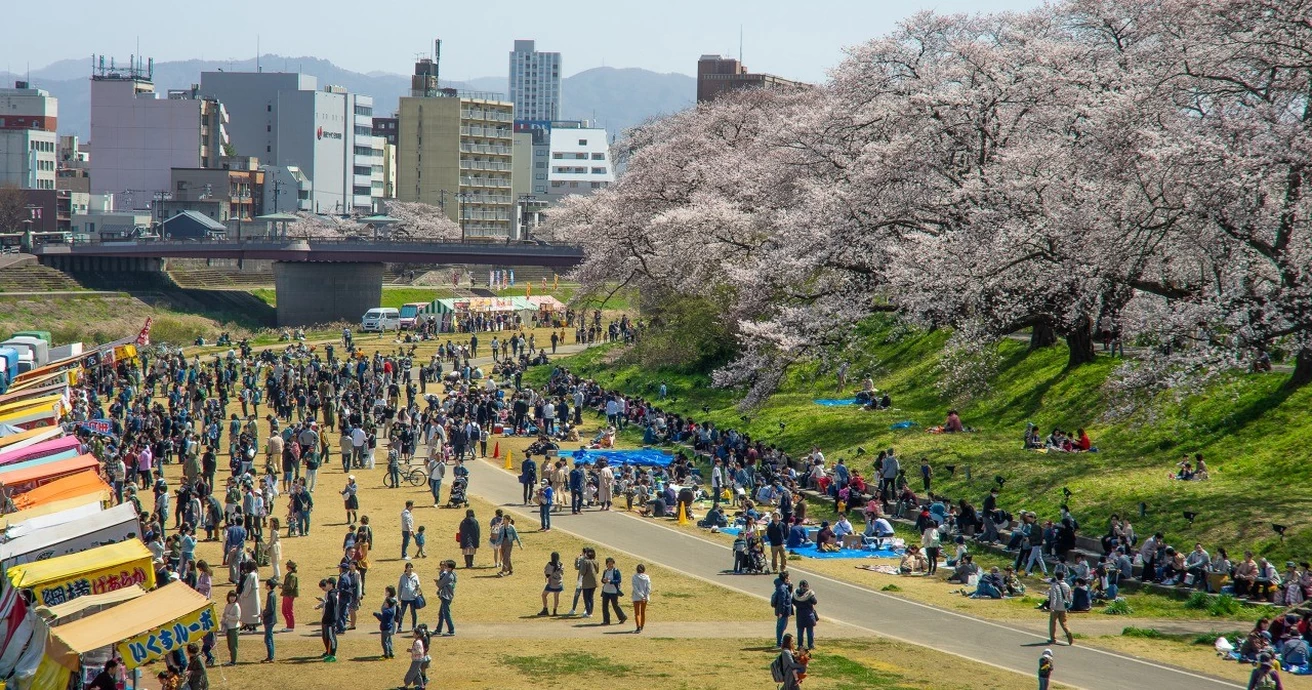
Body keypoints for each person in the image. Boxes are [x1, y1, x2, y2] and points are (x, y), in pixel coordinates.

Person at [600, 556, 628, 625]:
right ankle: (606, 621)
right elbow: (602, 580)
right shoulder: (605, 571)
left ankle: (622, 617)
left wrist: (610, 581)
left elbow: (619, 580)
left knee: (615, 605)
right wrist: (603, 580)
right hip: (606, 591)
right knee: (604, 606)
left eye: (611, 563)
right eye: (609, 564)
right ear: (606, 564)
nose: (610, 565)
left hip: (613, 592)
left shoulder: (616, 571)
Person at [1047, 577, 1074, 646]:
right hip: (1063, 608)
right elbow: (1070, 597)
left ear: (1056, 577)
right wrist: (1068, 606)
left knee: (1053, 622)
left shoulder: (1054, 585)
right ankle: (1068, 632)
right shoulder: (1067, 585)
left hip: (1056, 607)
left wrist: (1052, 606)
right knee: (1063, 622)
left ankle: (1053, 639)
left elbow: (1054, 597)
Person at [793, 579, 818, 650]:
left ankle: (800, 645)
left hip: (800, 614)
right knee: (810, 631)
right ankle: (810, 645)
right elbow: (815, 602)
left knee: (800, 631)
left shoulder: (796, 594)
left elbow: (793, 602)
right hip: (808, 614)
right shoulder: (809, 594)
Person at [435, 559, 458, 636]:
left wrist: (437, 582)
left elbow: (440, 584)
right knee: (441, 614)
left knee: (446, 614)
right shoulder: (453, 574)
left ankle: (451, 630)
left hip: (446, 596)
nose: (445, 567)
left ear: (450, 568)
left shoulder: (448, 576)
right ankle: (438, 629)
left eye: (446, 566)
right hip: (448, 596)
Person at [318, 577, 339, 662]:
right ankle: (330, 652)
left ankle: (333, 655)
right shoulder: (331, 594)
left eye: (327, 583)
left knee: (332, 637)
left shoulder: (332, 595)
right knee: (329, 637)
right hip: (329, 619)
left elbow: (332, 608)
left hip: (331, 620)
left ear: (330, 584)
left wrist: (328, 618)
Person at [397, 562, 422, 632]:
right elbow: (400, 587)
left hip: (412, 598)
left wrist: (417, 589)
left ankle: (414, 626)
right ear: (406, 569)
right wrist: (399, 597)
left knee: (413, 613)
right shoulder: (402, 577)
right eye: (408, 567)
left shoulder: (415, 576)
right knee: (401, 613)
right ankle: (399, 627)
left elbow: (418, 585)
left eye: (411, 567)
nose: (410, 569)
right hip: (404, 598)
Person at [540, 551, 566, 616]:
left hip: (551, 584)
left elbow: (547, 574)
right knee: (556, 597)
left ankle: (545, 609)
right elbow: (562, 573)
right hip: (559, 583)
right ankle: (555, 611)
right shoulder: (561, 564)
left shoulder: (549, 564)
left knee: (543, 595)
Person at [375, 588, 398, 659]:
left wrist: (376, 614)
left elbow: (382, 618)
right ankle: (391, 653)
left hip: (386, 628)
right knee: (389, 640)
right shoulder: (390, 609)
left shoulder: (386, 612)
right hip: (390, 627)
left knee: (384, 642)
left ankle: (386, 654)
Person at [773, 570, 794, 648]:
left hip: (783, 609)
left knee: (782, 626)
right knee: (781, 626)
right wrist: (781, 612)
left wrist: (790, 585)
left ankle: (779, 641)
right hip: (783, 610)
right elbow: (782, 601)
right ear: (785, 578)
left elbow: (789, 592)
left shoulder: (783, 585)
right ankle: (779, 643)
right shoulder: (782, 588)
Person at [220, 590, 241, 666]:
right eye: (231, 596)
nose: (232, 598)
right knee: (230, 645)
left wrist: (227, 616)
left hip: (234, 628)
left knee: (233, 645)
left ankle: (233, 661)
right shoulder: (227, 605)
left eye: (234, 596)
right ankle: (232, 660)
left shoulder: (236, 606)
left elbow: (237, 617)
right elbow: (224, 614)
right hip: (228, 627)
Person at [578, 547, 599, 618]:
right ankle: (590, 612)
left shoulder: (585, 561)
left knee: (586, 597)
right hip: (594, 582)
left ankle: (588, 612)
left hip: (587, 582)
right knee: (591, 597)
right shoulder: (595, 561)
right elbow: (597, 571)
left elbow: (582, 572)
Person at [260, 578, 277, 662]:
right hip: (271, 619)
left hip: (269, 620)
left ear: (269, 586)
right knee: (269, 637)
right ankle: (271, 655)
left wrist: (263, 614)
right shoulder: (272, 594)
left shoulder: (271, 595)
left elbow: (270, 609)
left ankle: (270, 656)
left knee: (268, 638)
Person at [631, 563, 651, 633]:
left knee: (637, 613)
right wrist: (645, 596)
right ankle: (642, 626)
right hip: (645, 598)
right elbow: (648, 588)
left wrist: (641, 596)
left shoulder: (634, 577)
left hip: (636, 597)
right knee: (643, 612)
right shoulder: (647, 577)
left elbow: (635, 588)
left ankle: (638, 626)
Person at [279, 560, 299, 631]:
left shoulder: (292, 576)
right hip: (286, 595)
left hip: (289, 595)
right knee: (284, 611)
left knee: (288, 611)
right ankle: (289, 625)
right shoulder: (290, 575)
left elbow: (290, 587)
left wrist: (282, 586)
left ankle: (290, 626)